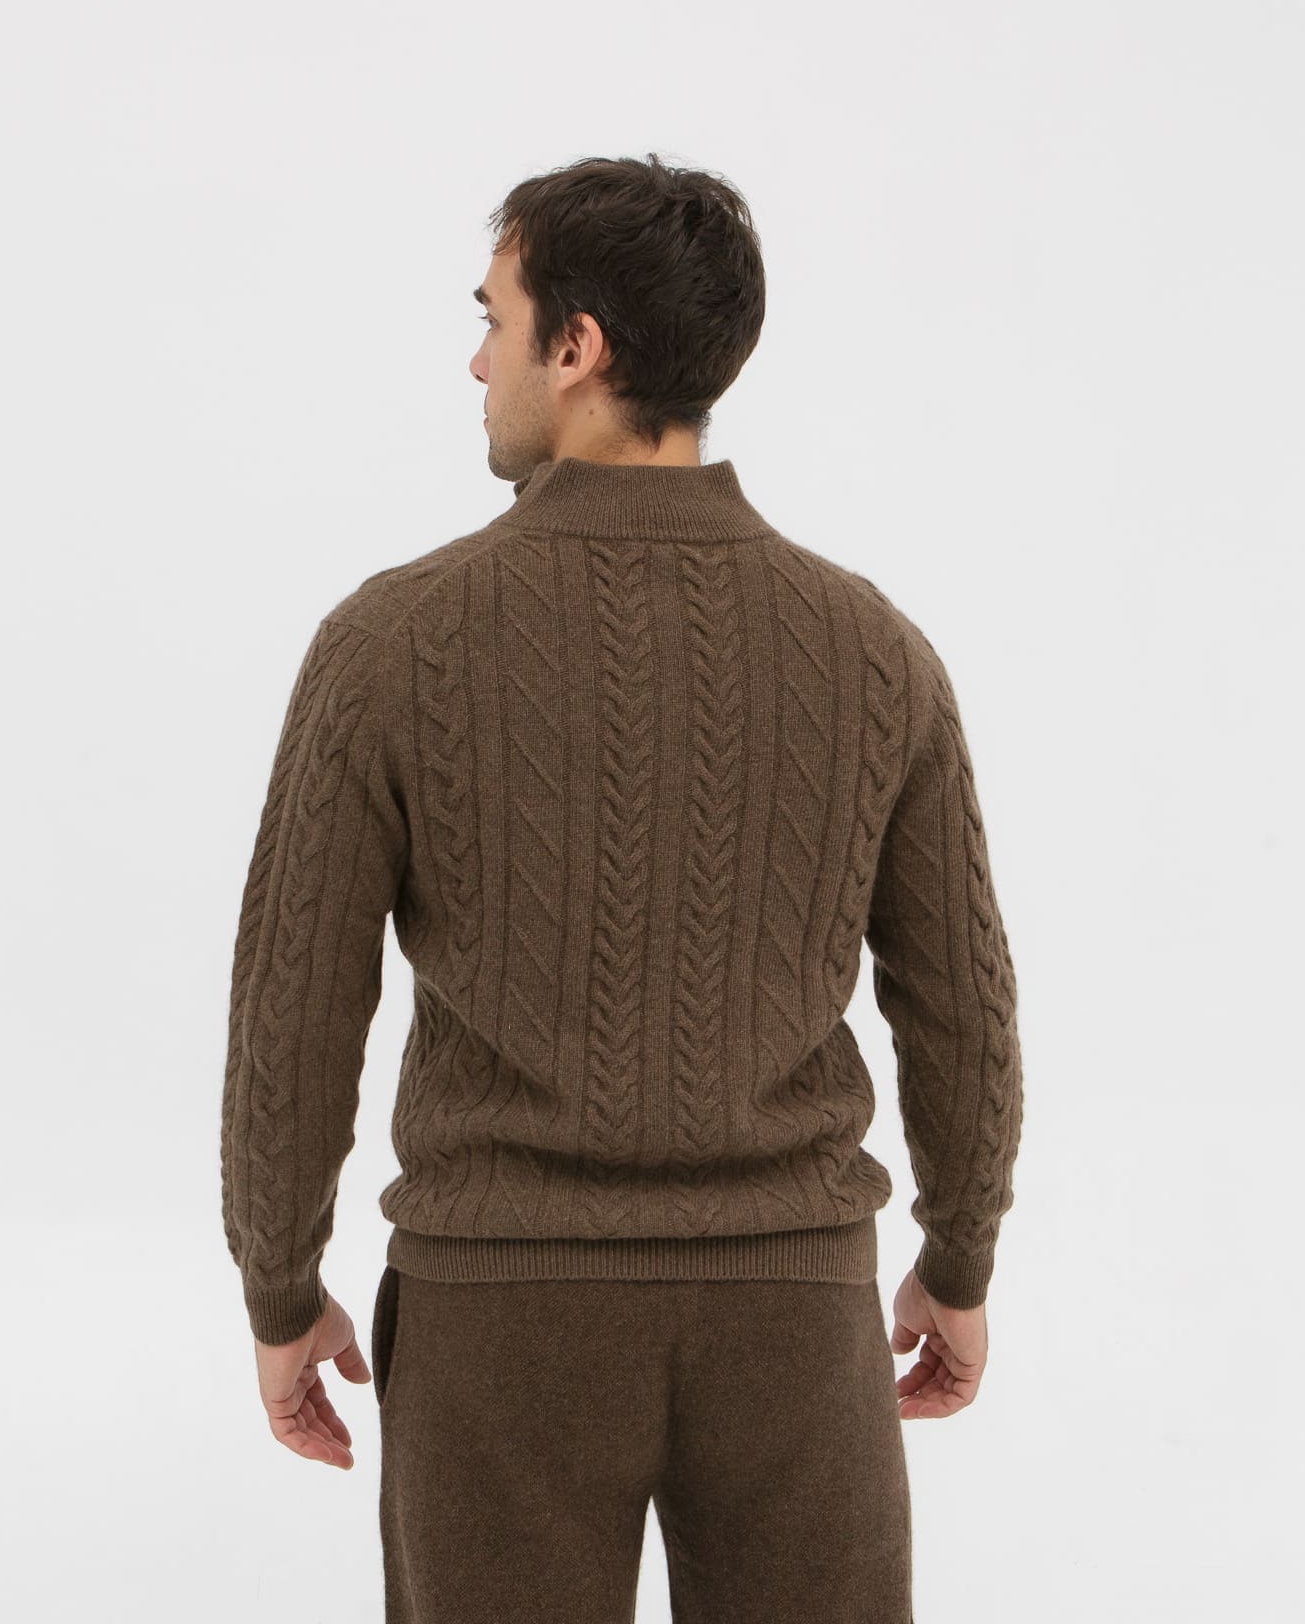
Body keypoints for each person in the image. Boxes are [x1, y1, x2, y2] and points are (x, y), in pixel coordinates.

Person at [220, 152, 1024, 1624]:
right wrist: (957, 1263)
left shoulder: (392, 642)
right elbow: (963, 1007)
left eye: (495, 319)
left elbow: (296, 1010)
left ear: (577, 348)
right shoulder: (874, 651)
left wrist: (280, 1288)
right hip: (795, 1316)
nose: (477, 361)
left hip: (497, 1321)